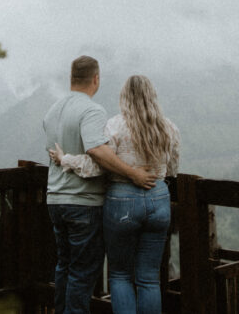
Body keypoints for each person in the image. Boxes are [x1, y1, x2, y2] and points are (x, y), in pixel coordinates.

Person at [50, 74, 180, 314]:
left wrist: (64, 159)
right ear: (153, 97)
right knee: (150, 278)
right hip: (159, 197)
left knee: (120, 276)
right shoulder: (169, 128)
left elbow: (98, 164)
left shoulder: (114, 126)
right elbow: (172, 169)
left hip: (122, 201)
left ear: (124, 98)